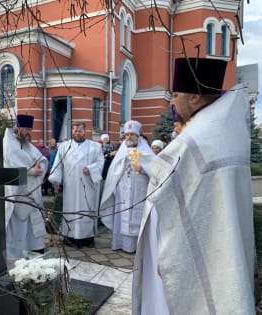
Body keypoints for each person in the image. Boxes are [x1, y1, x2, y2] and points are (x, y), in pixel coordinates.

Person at [132, 58, 255, 314]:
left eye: (176, 95)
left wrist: (172, 259)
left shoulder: (194, 140)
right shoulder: (223, 131)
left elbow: (185, 208)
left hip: (181, 257)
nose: (171, 102)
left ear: (195, 98)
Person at [100, 120, 154, 253]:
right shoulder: (121, 150)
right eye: (127, 135)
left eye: (132, 134)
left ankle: (137, 246)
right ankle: (120, 244)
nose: (129, 137)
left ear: (138, 136)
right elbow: (114, 170)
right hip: (122, 189)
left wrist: (143, 168)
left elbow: (155, 169)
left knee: (138, 214)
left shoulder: (145, 151)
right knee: (122, 215)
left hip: (139, 190)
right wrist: (123, 162)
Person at [49, 122, 104, 248]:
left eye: (80, 131)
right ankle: (70, 237)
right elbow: (58, 164)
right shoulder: (64, 147)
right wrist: (56, 180)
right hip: (70, 186)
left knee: (86, 210)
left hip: (87, 186)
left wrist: (91, 169)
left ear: (85, 131)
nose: (77, 133)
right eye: (75, 131)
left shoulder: (95, 147)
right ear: (72, 131)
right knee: (70, 210)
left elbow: (101, 162)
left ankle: (87, 238)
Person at [3, 114, 48, 260]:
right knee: (19, 229)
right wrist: (33, 170)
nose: (29, 132)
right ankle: (17, 257)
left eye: (31, 129)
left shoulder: (27, 144)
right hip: (18, 195)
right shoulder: (9, 143)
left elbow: (40, 159)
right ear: (19, 127)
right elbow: (11, 165)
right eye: (27, 129)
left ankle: (35, 252)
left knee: (33, 229)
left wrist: (39, 166)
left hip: (32, 193)